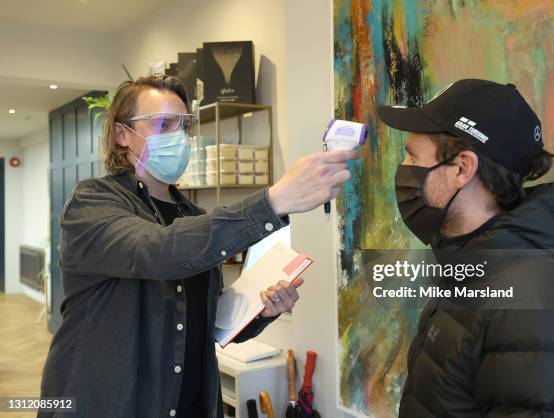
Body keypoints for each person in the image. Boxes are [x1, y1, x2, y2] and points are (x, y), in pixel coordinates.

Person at [39, 74, 358, 418]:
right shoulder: (92, 202)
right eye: (162, 124)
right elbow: (158, 251)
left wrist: (258, 312)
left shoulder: (193, 215)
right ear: (121, 135)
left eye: (184, 124)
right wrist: (273, 201)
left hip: (191, 403)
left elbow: (204, 321)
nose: (178, 136)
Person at [378, 79, 554, 417]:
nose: (404, 169)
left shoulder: (540, 303)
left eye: (413, 156)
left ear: (462, 168)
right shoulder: (475, 263)